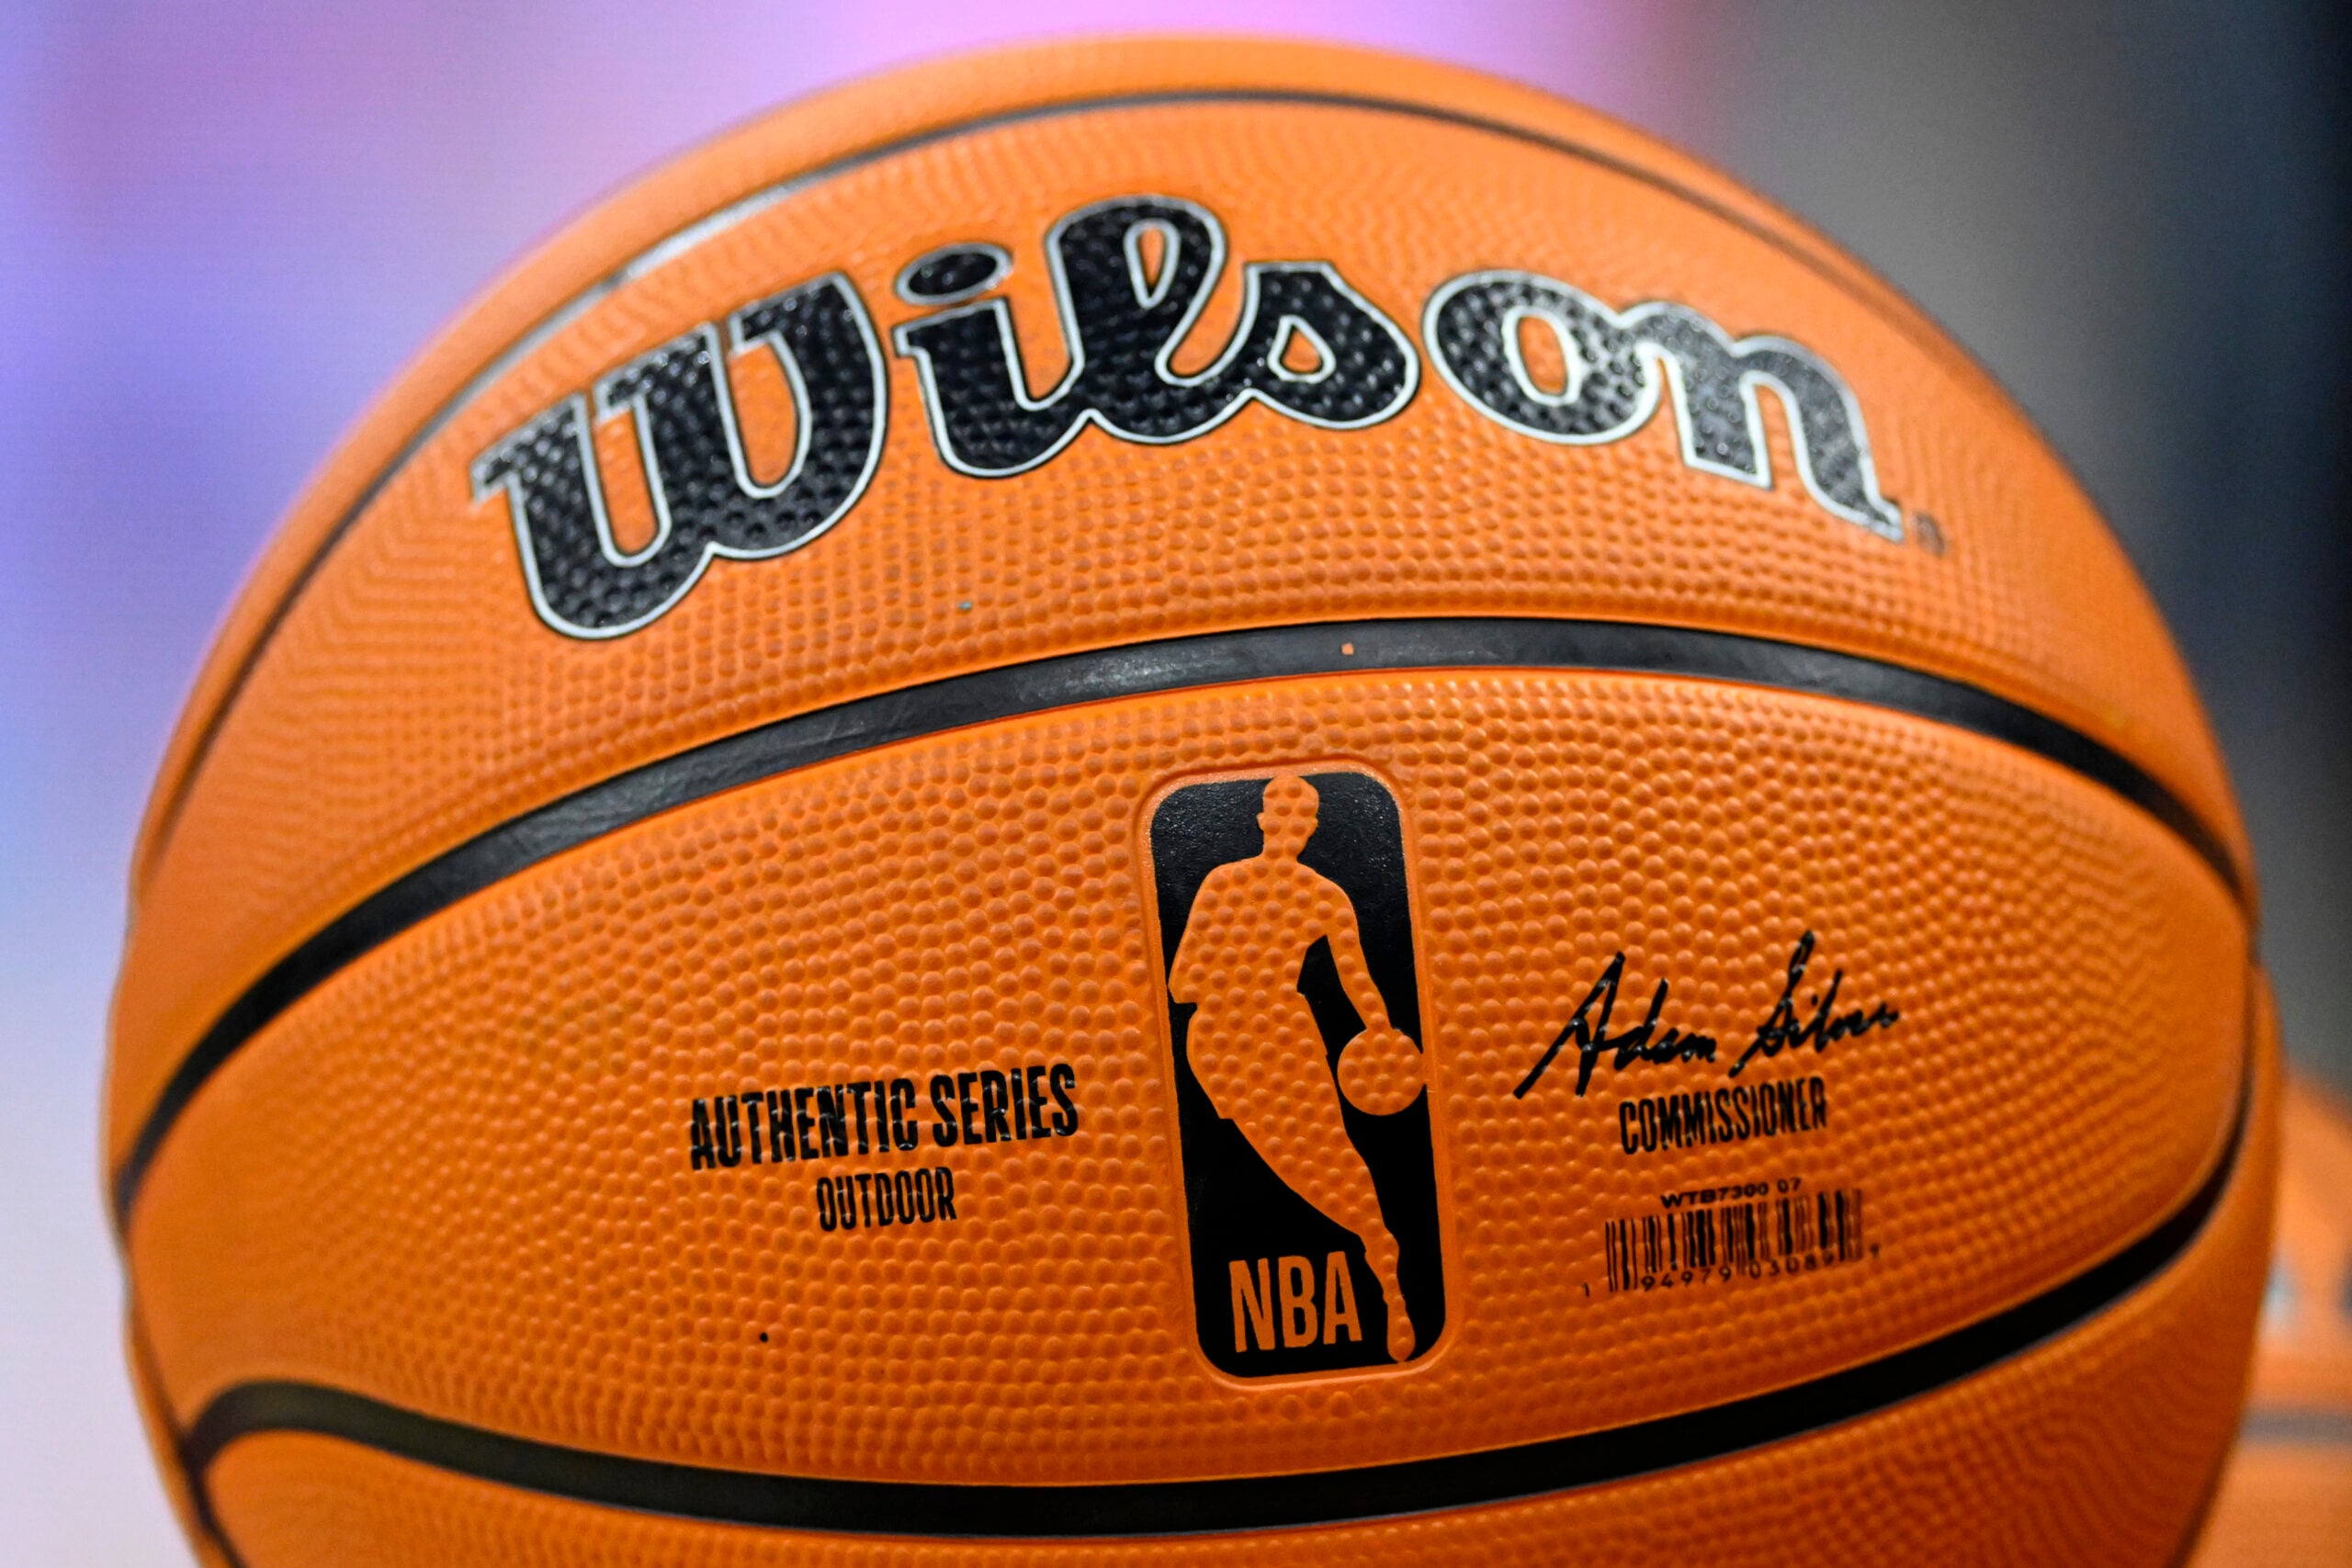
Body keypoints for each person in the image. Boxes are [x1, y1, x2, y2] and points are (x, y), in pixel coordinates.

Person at [1169, 774, 1417, 1361]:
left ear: (1308, 828)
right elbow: (1180, 983)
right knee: (1299, 1159)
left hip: (1268, 1033)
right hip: (1242, 1036)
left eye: (1299, 818)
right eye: (1283, 814)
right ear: (1264, 820)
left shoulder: (1302, 892)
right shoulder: (1245, 885)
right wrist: (1249, 982)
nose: (1290, 827)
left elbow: (1357, 980)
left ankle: (1380, 1254)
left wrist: (1384, 1035)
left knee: (1322, 1154)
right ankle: (1376, 1248)